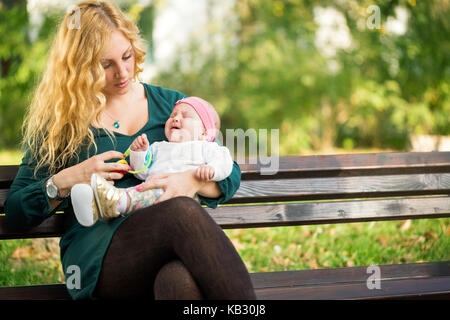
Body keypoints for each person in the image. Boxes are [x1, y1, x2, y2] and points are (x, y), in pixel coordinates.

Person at [4, 0, 256, 300]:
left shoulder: (172, 106)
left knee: (178, 282)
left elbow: (229, 173)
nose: (123, 72)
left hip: (168, 250)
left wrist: (191, 181)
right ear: (80, 67)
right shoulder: (61, 122)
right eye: (105, 64)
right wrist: (70, 178)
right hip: (103, 259)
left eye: (126, 56)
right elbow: (17, 211)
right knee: (180, 212)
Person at [71, 96, 234, 227]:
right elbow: (142, 173)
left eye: (185, 116)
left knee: (139, 194)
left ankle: (113, 203)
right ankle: (94, 205)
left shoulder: (206, 147)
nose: (176, 118)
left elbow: (225, 164)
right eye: (173, 115)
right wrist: (139, 153)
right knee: (139, 189)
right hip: (149, 196)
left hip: (179, 198)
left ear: (204, 133)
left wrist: (212, 170)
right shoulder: (158, 147)